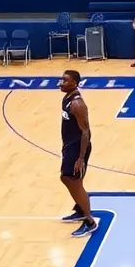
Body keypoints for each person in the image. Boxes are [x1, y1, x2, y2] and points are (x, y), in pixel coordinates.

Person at [58, 70, 99, 238]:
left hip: (78, 147)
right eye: (61, 79)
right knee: (70, 178)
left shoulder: (77, 104)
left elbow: (86, 132)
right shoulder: (66, 99)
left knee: (71, 179)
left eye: (65, 81)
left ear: (75, 83)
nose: (61, 83)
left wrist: (81, 157)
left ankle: (89, 221)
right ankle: (81, 209)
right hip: (70, 145)